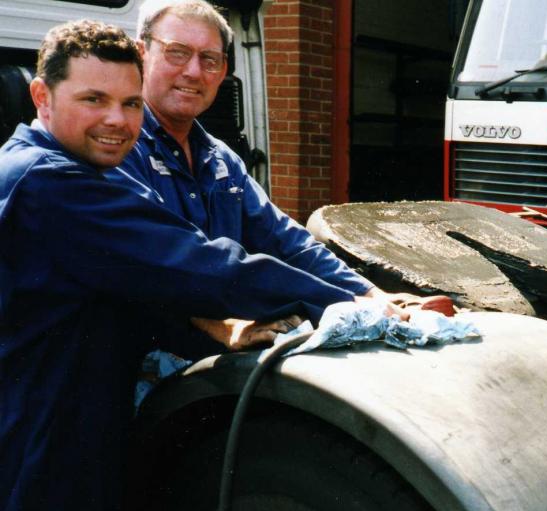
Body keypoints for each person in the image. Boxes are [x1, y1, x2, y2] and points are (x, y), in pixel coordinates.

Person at [0, 20, 384, 511]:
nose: (117, 120)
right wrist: (344, 303)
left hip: (74, 420)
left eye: (128, 103)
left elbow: (120, 295)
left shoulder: (71, 166)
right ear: (42, 98)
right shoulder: (51, 182)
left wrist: (210, 330)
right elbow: (195, 263)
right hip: (38, 438)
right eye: (93, 100)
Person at [112, 0, 397, 348]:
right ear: (141, 53)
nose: (193, 71)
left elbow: (287, 241)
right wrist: (344, 302)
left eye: (209, 59)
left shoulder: (221, 160)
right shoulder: (118, 150)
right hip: (139, 365)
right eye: (177, 52)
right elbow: (160, 265)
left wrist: (373, 294)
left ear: (223, 71)